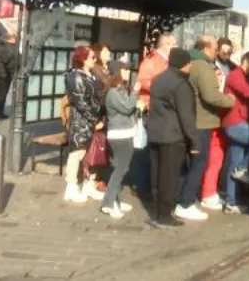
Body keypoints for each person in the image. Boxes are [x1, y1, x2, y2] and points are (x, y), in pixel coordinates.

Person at [176, 34, 235, 221]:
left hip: (189, 119)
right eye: (215, 46)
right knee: (199, 163)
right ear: (207, 48)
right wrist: (229, 101)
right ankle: (185, 203)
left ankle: (182, 199)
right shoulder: (203, 66)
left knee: (188, 164)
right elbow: (210, 95)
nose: (217, 50)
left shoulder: (190, 62)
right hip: (202, 121)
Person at [146, 48, 197, 228]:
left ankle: (159, 211)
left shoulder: (159, 79)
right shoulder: (180, 84)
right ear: (183, 64)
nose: (190, 66)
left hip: (155, 133)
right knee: (169, 177)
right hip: (173, 136)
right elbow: (186, 116)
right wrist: (194, 141)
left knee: (157, 174)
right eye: (189, 63)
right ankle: (165, 216)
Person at [132, 32, 176, 198]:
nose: (176, 47)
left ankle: (149, 185)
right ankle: (141, 185)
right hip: (150, 108)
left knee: (153, 149)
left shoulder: (165, 61)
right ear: (166, 45)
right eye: (174, 44)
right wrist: (163, 88)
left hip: (159, 109)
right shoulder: (151, 61)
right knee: (146, 150)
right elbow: (142, 81)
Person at [220, 51, 249, 213]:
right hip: (235, 123)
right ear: (246, 61)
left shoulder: (242, 75)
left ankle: (231, 203)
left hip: (237, 123)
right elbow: (247, 92)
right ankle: (244, 168)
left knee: (234, 165)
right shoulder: (235, 75)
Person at [101, 61, 142, 219]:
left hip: (125, 132)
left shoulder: (120, 89)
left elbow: (128, 110)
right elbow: (126, 108)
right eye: (125, 69)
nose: (128, 72)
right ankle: (109, 203)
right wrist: (135, 93)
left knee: (120, 168)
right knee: (120, 169)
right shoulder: (113, 92)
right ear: (118, 72)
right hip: (119, 134)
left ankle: (114, 199)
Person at [63, 45, 103, 203]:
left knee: (87, 154)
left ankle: (86, 183)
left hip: (90, 120)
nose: (95, 60)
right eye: (92, 57)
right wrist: (94, 120)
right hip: (81, 121)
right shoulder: (75, 77)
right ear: (83, 59)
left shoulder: (89, 75)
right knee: (77, 154)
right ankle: (71, 187)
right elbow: (81, 102)